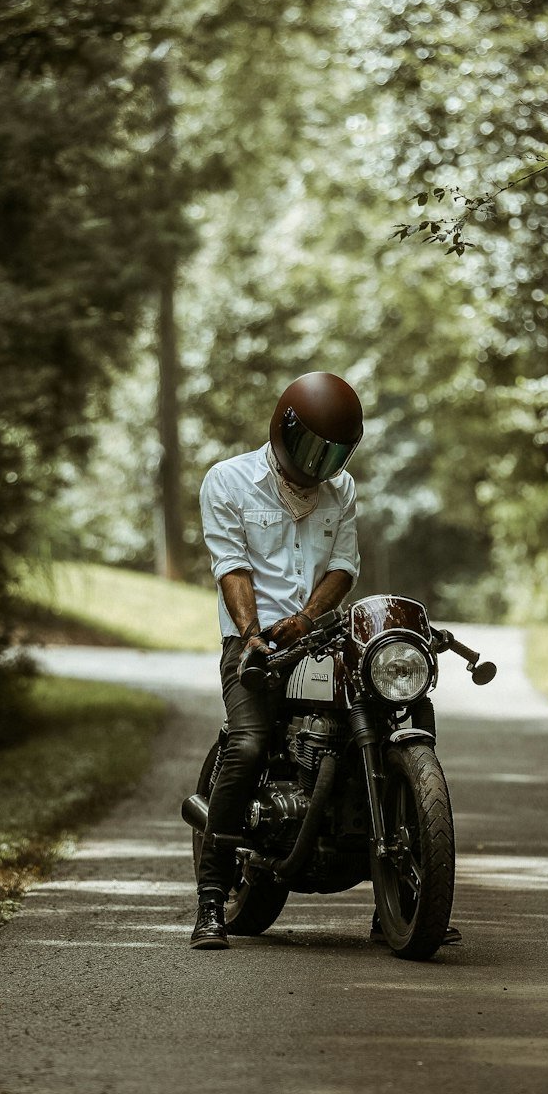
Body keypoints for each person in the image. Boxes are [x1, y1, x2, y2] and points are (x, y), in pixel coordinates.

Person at [191, 371, 364, 950]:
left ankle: (408, 893)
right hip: (255, 642)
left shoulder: (342, 491)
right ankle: (211, 902)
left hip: (317, 638)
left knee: (393, 718)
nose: (321, 462)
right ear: (285, 429)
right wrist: (252, 635)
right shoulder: (229, 480)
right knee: (248, 744)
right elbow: (230, 565)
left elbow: (344, 565)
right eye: (314, 446)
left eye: (334, 452)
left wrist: (310, 619)